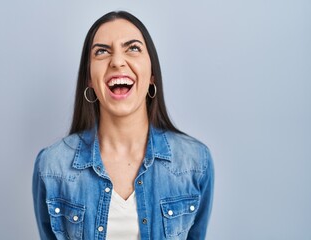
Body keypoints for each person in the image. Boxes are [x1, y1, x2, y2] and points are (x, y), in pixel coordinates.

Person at [32, 10, 214, 240]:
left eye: (133, 48)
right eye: (102, 52)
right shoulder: (52, 165)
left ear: (152, 75)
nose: (117, 61)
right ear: (89, 78)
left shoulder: (195, 162)